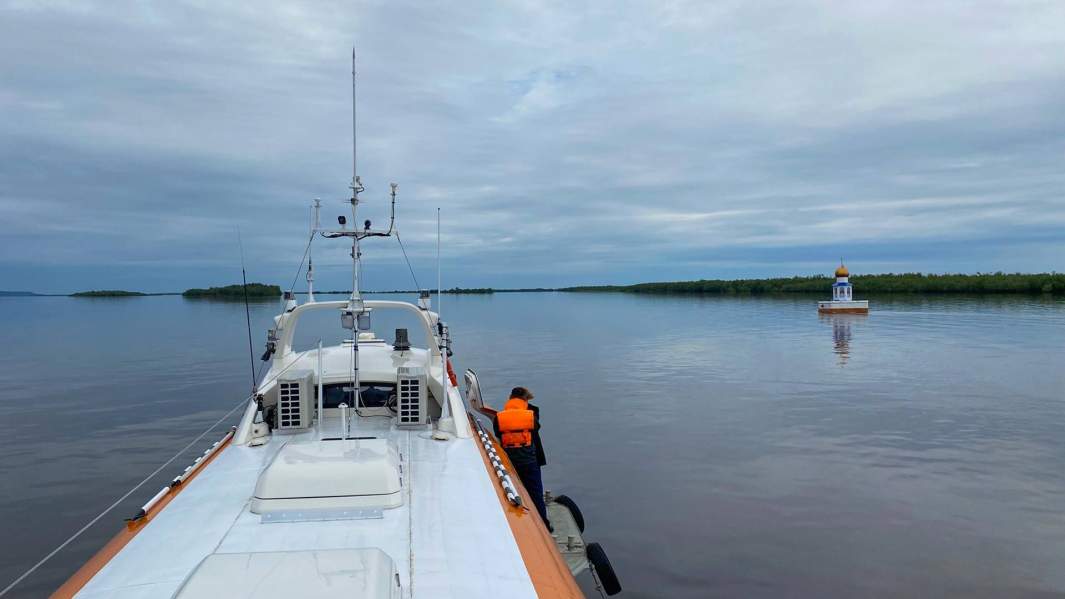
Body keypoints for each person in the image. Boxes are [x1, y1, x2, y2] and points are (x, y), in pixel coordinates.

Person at [493, 386, 550, 529]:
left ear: (510, 398)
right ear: (525, 400)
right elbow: (536, 428)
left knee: (513, 489)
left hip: (510, 461)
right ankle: (543, 525)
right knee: (536, 493)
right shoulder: (530, 415)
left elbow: (499, 435)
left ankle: (518, 523)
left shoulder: (499, 417)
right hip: (529, 460)